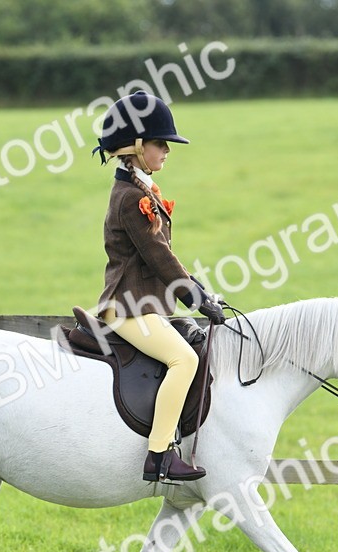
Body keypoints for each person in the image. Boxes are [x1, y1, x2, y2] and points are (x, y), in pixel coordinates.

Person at [91, 91, 225, 483]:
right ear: (135, 147)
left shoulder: (142, 190)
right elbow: (159, 257)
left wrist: (201, 294)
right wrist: (197, 298)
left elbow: (163, 255)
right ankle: (159, 456)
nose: (167, 150)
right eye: (159, 143)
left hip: (146, 305)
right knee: (185, 360)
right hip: (127, 308)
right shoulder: (132, 198)